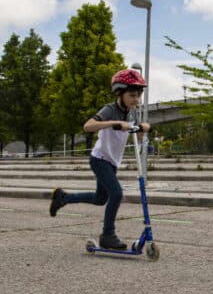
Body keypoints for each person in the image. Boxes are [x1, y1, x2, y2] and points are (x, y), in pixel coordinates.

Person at [49, 69, 151, 250]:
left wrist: (143, 129)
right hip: (100, 159)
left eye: (139, 96)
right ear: (120, 93)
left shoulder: (131, 113)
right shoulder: (110, 109)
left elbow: (136, 132)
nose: (136, 99)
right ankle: (107, 235)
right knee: (117, 194)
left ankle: (63, 198)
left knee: (100, 198)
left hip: (112, 162)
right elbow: (88, 126)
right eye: (132, 95)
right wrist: (113, 123)